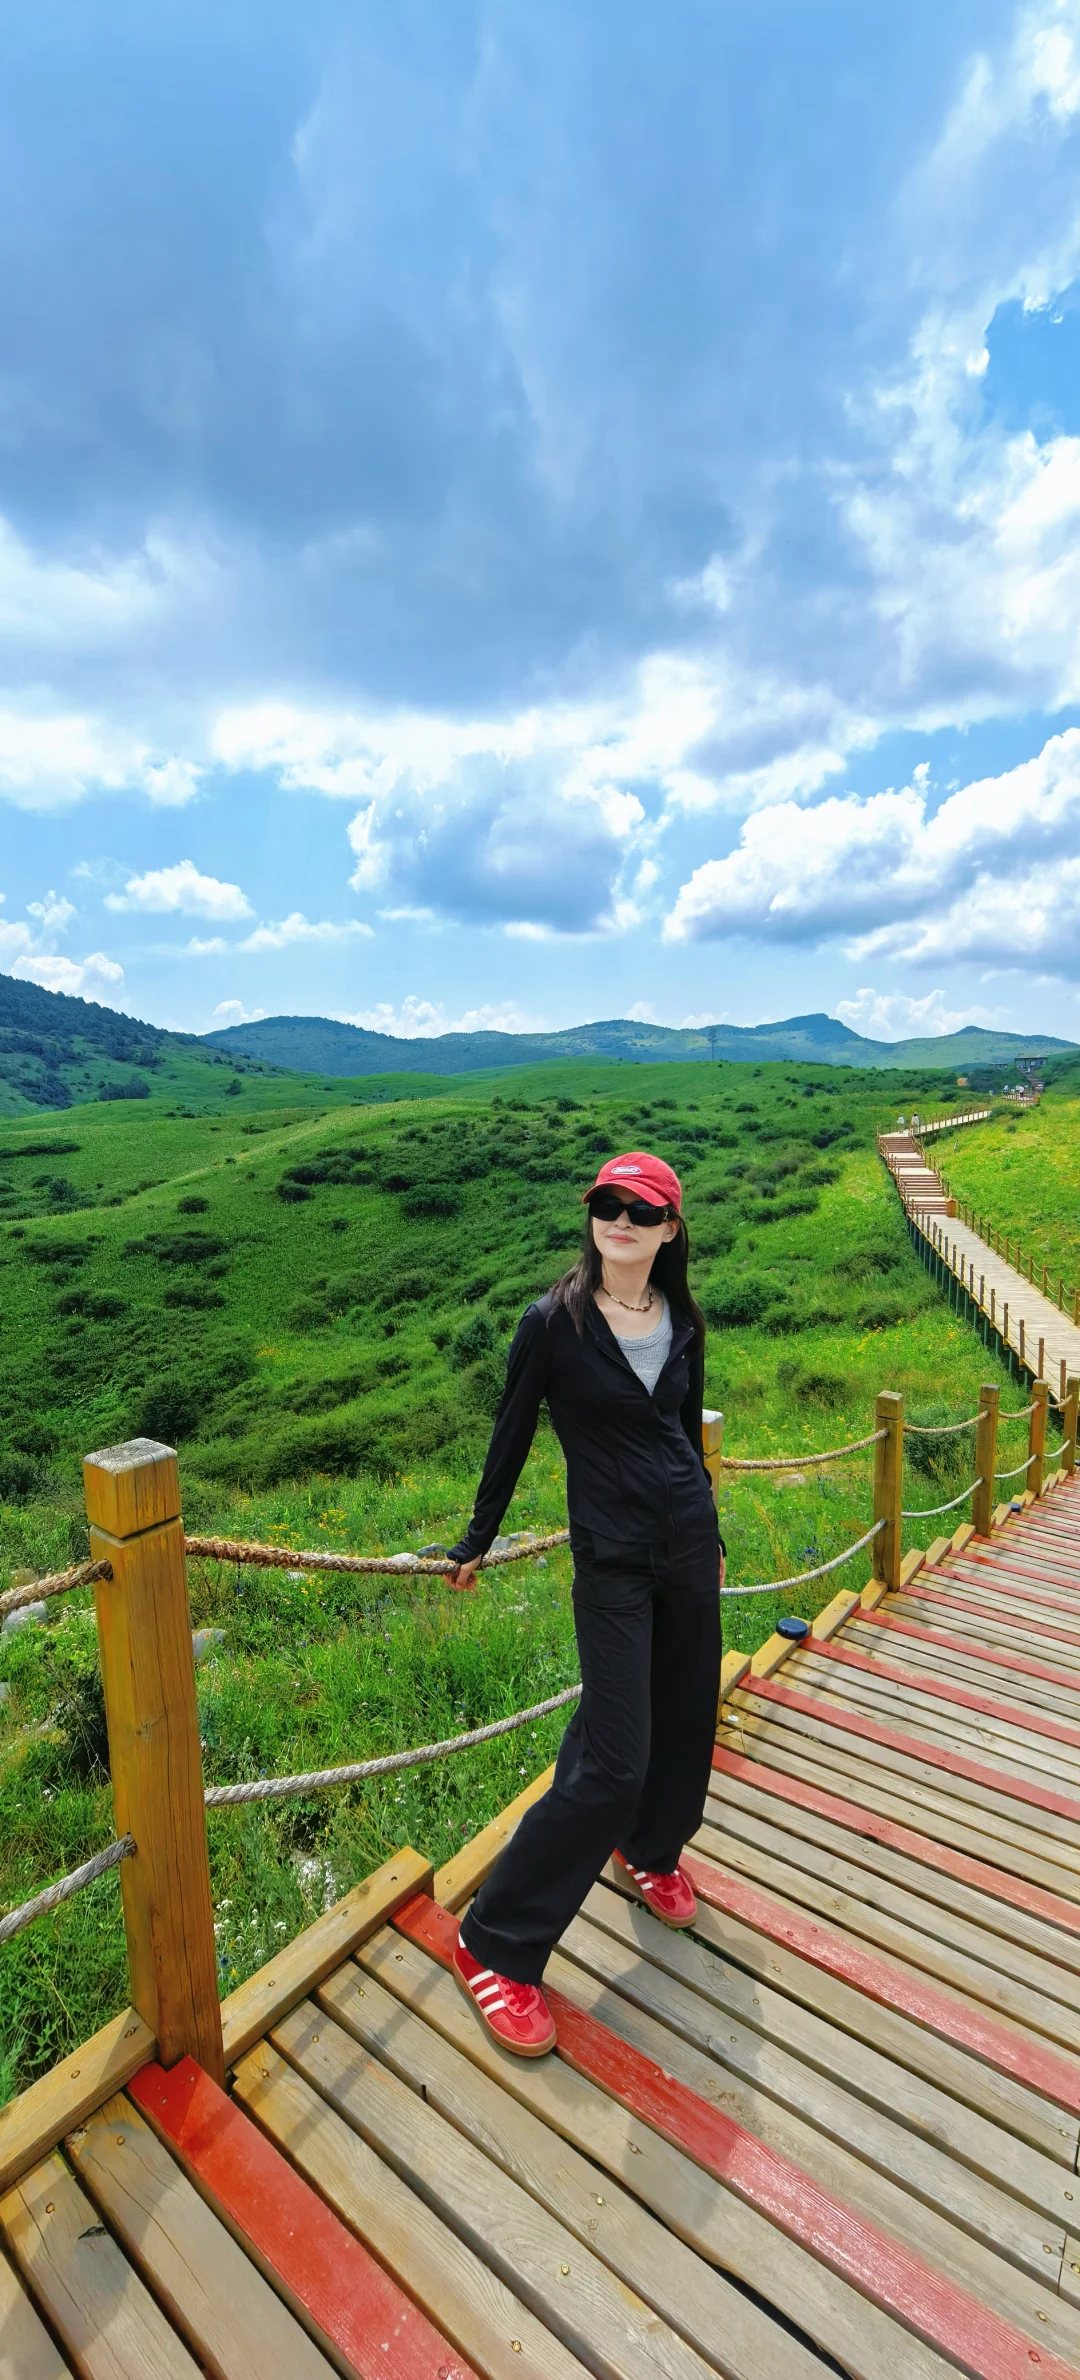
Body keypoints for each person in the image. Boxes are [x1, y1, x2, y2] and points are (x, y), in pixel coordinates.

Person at [446, 1148, 725, 2058]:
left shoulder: (680, 1317)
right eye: (608, 1206)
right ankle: (496, 1939)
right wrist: (477, 1539)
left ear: (669, 1231)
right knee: (614, 1759)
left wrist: (712, 1534)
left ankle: (652, 1849)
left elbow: (683, 1430)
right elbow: (513, 1430)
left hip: (686, 1545)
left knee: (686, 1715)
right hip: (611, 1561)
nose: (620, 1222)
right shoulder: (554, 1321)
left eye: (641, 1213)